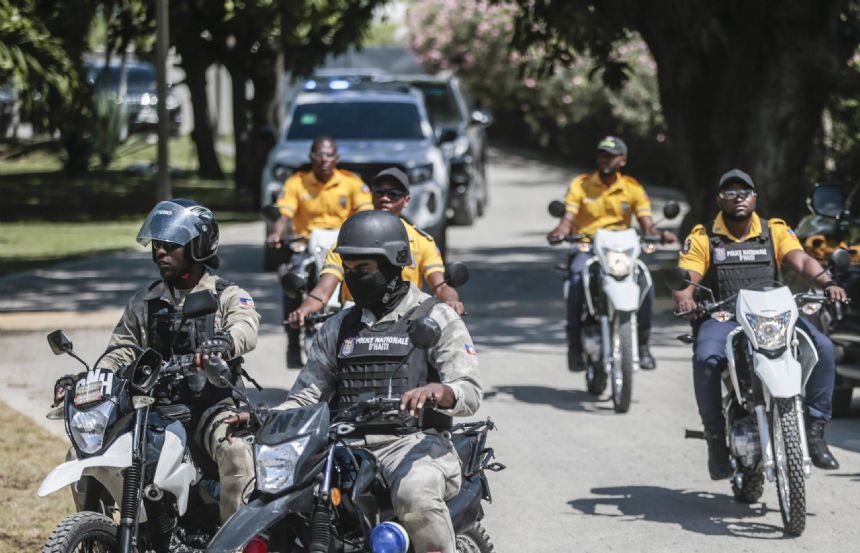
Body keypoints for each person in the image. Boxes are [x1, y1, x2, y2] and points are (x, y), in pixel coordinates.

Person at [274, 210, 480, 553]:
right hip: (343, 447)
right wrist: (263, 418)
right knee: (286, 499)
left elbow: (469, 391)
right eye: (349, 270)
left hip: (414, 444)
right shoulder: (338, 326)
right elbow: (307, 394)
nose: (354, 279)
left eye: (364, 270)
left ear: (392, 265)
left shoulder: (435, 315)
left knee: (415, 495)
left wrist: (440, 391)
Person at [72, 199, 261, 523]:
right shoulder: (145, 300)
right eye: (157, 245)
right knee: (82, 453)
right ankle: (96, 533)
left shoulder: (226, 294)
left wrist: (224, 342)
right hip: (152, 409)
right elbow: (123, 347)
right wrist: (92, 376)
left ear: (197, 246)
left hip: (211, 408)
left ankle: (234, 543)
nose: (160, 252)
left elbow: (247, 326)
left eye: (170, 245)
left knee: (236, 452)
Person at [672, 169, 847, 479]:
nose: (737, 197)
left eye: (744, 192)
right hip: (726, 315)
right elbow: (688, 276)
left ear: (754, 197)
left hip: (773, 313)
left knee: (824, 349)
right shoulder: (703, 236)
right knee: (706, 358)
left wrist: (826, 281)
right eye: (729, 193)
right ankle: (715, 439)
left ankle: (816, 433)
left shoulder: (774, 230)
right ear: (719, 200)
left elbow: (803, 259)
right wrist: (685, 298)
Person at [547, 136, 676, 371]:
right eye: (601, 155)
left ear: (623, 160)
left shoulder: (632, 187)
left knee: (645, 283)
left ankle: (643, 345)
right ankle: (574, 344)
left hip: (620, 250)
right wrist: (560, 232)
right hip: (587, 245)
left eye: (611, 156)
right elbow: (568, 218)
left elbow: (647, 223)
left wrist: (659, 234)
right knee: (577, 277)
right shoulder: (581, 185)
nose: (605, 160)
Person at [287, 167, 464, 328]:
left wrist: (451, 301)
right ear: (371, 196)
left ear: (406, 200)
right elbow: (324, 288)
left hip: (406, 323)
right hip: (357, 323)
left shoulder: (422, 241)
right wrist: (304, 309)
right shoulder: (349, 241)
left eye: (393, 194)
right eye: (379, 192)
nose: (385, 198)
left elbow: (440, 286)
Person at [266, 136, 372, 367]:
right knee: (291, 278)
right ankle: (294, 339)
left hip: (343, 245)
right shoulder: (297, 182)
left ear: (337, 158)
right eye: (318, 155)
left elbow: (365, 212)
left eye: (328, 155)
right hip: (306, 246)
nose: (323, 160)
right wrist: (276, 232)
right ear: (311, 157)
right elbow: (285, 213)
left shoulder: (351, 182)